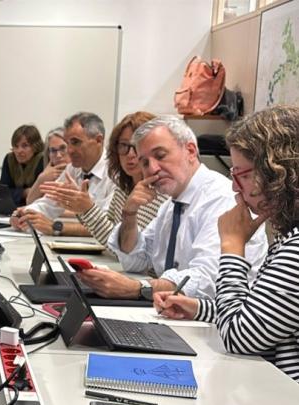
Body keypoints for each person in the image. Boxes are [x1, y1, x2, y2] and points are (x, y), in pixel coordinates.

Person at [154, 106, 299, 382]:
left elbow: (240, 337)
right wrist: (200, 308)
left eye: (243, 175)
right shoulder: (289, 236)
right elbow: (258, 313)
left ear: (278, 172)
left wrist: (232, 246)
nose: (235, 187)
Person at [78, 115, 267, 300]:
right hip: (175, 311)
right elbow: (135, 261)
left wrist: (137, 289)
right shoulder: (171, 205)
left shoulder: (221, 198)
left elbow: (206, 281)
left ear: (190, 151)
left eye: (160, 156)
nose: (152, 169)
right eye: (145, 162)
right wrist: (129, 215)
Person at [43, 112, 169, 247]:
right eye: (123, 146)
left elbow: (132, 251)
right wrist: (84, 209)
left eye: (137, 146)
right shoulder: (123, 187)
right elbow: (111, 239)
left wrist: (87, 209)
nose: (130, 154)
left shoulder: (162, 194)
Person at [10, 112, 116, 236]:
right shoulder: (72, 169)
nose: (69, 150)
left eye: (75, 142)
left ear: (98, 140)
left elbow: (109, 227)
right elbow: (48, 203)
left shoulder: (115, 172)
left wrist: (56, 227)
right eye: (68, 143)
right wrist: (24, 215)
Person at [0, 124, 45, 205]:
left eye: (25, 146)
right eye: (16, 146)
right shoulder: (10, 159)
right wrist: (24, 193)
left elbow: (42, 194)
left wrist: (17, 193)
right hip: (14, 208)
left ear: (36, 146)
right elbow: (2, 193)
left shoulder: (43, 160)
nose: (19, 151)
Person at [25, 127, 70, 204]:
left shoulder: (82, 172)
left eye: (63, 148)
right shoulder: (48, 174)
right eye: (53, 150)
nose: (58, 155)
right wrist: (41, 179)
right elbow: (29, 202)